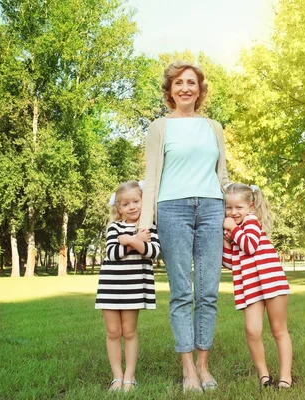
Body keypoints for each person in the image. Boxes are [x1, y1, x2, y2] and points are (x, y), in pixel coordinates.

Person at [138, 61, 229, 392]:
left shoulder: (213, 127)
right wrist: (145, 224)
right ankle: (188, 369)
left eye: (192, 82)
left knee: (207, 291)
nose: (186, 88)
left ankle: (204, 366)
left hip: (211, 208)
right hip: (172, 209)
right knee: (182, 292)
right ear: (170, 90)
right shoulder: (159, 127)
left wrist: (231, 211)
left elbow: (222, 175)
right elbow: (151, 179)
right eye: (179, 83)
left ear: (200, 90)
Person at [222, 183, 294, 390]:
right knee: (252, 330)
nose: (233, 212)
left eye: (238, 208)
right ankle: (264, 375)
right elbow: (228, 262)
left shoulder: (251, 222)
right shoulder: (234, 231)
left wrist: (233, 229)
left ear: (250, 207)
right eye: (229, 208)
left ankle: (285, 376)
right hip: (251, 286)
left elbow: (250, 246)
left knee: (279, 330)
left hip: (272, 282)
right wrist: (226, 240)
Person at [95, 180, 160, 392]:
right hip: (111, 286)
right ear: (119, 208)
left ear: (144, 201)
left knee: (129, 332)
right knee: (113, 332)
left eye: (136, 201)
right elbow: (112, 254)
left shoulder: (149, 227)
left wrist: (130, 241)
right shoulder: (114, 227)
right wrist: (135, 241)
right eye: (125, 204)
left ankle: (130, 377)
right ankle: (117, 377)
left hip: (134, 287)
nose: (132, 207)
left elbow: (153, 252)